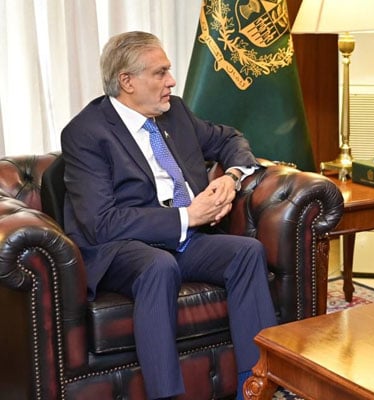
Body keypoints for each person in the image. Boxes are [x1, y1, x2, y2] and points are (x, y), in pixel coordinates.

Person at [61, 31, 277, 400]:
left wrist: (232, 177)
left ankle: (256, 384)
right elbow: (101, 223)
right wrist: (188, 216)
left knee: (246, 252)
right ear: (127, 81)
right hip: (121, 247)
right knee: (158, 266)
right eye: (160, 73)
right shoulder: (86, 133)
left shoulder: (174, 112)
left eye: (169, 71)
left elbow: (230, 138)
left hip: (184, 239)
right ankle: (166, 395)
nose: (171, 81)